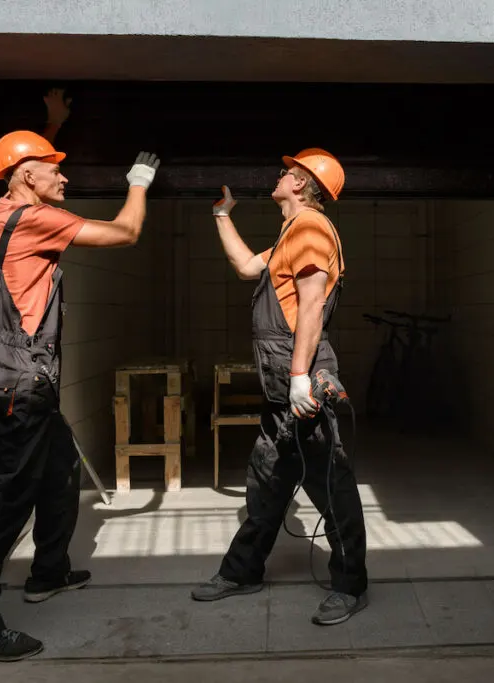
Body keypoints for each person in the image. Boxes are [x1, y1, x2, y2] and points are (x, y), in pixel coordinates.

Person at [0, 89, 162, 662]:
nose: (65, 180)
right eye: (55, 172)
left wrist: (51, 127)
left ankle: (48, 572)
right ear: (25, 177)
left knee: (61, 469)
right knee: (1, 503)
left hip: (14, 374)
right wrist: (138, 182)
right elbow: (125, 233)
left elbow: (25, 176)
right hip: (24, 383)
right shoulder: (39, 220)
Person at [192, 148, 369, 626]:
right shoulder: (292, 232)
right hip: (281, 384)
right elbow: (249, 267)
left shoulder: (310, 228)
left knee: (331, 485)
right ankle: (242, 571)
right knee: (267, 481)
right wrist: (221, 215)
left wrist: (298, 378)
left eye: (287, 173)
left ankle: (351, 586)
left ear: (302, 185)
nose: (278, 176)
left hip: (301, 379)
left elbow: (310, 306)